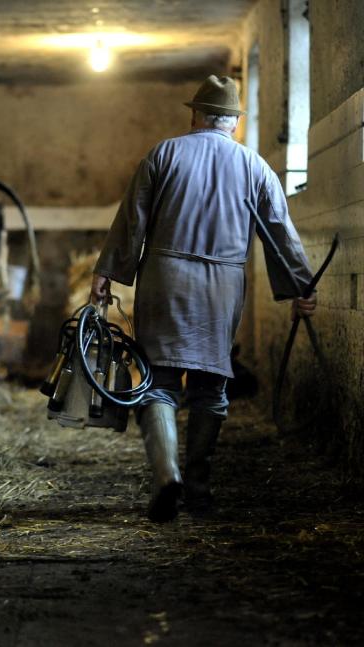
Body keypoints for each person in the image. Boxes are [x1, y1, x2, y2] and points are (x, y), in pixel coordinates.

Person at [90, 75, 317, 522]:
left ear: (195, 115)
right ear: (233, 122)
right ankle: (198, 490)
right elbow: (280, 235)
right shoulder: (255, 167)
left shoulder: (164, 153)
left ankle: (166, 474)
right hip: (221, 284)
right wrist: (301, 289)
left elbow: (131, 218)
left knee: (158, 383)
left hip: (165, 278)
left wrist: (107, 273)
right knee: (211, 388)